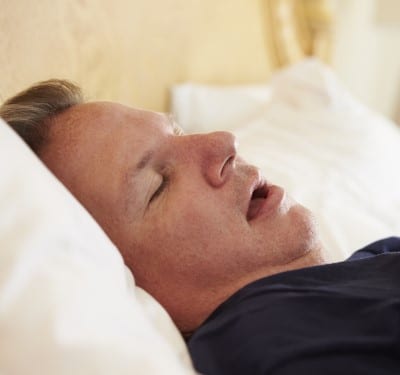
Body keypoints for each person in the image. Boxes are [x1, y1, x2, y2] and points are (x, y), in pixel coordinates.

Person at [1, 79, 399, 375]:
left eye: (181, 132)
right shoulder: (270, 344)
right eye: (160, 185)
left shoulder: (368, 265)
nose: (223, 142)